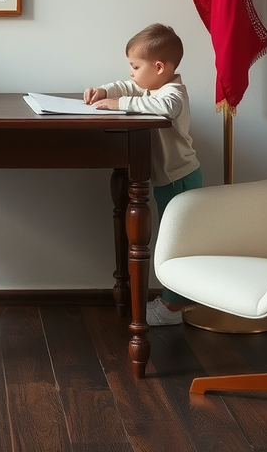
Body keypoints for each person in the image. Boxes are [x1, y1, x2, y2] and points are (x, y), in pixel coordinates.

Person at [83, 23, 202, 327]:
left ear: (159, 67)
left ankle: (173, 307)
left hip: (181, 178)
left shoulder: (172, 93)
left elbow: (160, 108)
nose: (132, 73)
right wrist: (106, 91)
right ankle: (172, 301)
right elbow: (128, 86)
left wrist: (118, 104)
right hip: (167, 179)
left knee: (177, 242)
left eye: (136, 66)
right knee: (171, 238)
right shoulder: (153, 85)